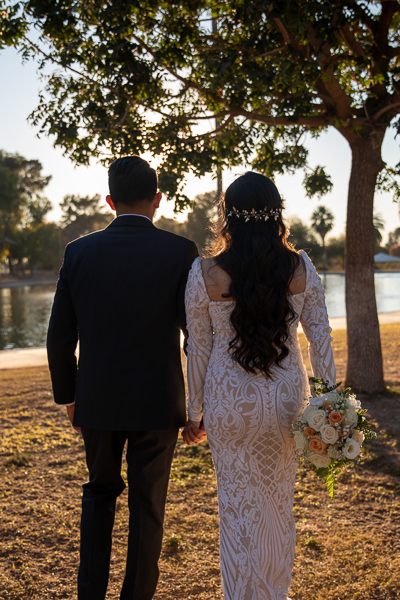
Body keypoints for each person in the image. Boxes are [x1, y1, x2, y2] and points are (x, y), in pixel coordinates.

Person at [47, 156, 199, 600]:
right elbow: (197, 338)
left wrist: (70, 397)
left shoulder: (78, 252)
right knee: (148, 507)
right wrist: (198, 407)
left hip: (97, 401)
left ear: (110, 200)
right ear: (158, 200)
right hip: (158, 403)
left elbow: (59, 337)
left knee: (98, 495)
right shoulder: (180, 251)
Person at [182, 172, 336, 600]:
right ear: (276, 211)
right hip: (287, 400)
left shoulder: (204, 272)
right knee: (276, 505)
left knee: (235, 508)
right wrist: (330, 406)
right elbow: (321, 340)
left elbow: (198, 350)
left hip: (228, 402)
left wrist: (194, 413)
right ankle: (272, 594)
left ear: (228, 216)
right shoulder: (300, 265)